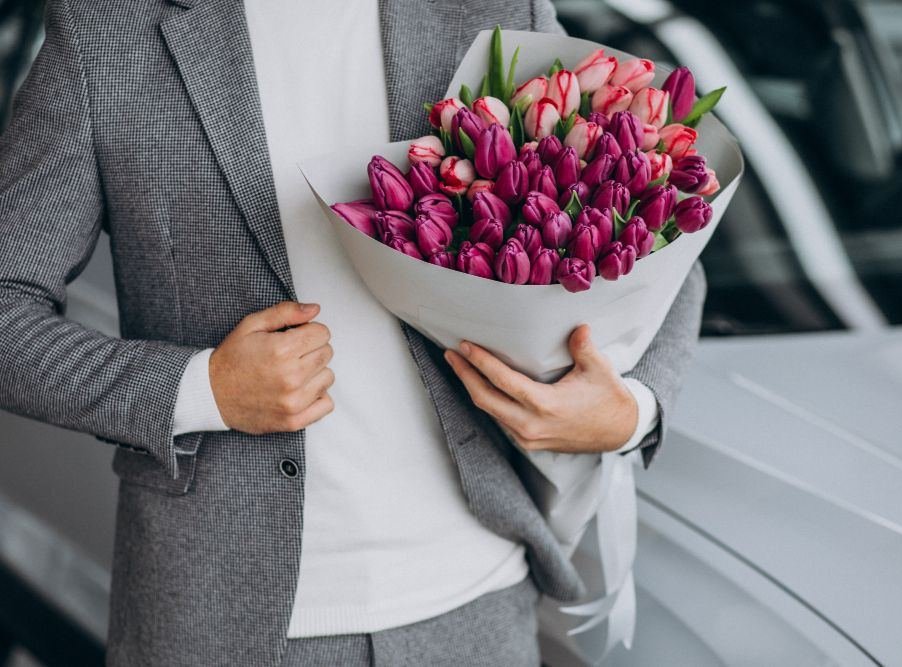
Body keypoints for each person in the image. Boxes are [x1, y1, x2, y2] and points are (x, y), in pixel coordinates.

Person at [0, 0, 705, 664]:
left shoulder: (493, 8)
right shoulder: (107, 33)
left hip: (476, 605)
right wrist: (201, 388)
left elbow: (660, 223)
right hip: (223, 620)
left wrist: (630, 410)